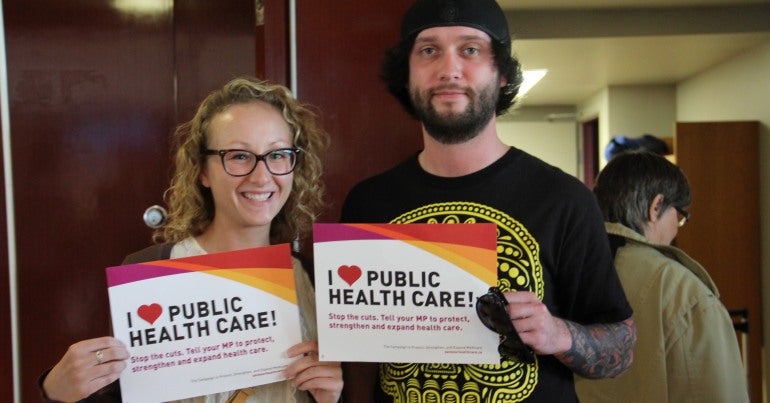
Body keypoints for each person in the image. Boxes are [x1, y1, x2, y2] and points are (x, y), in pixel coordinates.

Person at [339, 0, 637, 401]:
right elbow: (359, 359)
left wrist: (558, 334)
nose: (449, 69)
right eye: (428, 50)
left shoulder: (564, 199)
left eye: (470, 49)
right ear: (407, 73)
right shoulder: (368, 203)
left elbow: (622, 347)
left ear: (501, 74)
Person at [39, 77, 343, 403]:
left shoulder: (315, 280)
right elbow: (123, 394)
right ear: (203, 171)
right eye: (239, 156)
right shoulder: (151, 271)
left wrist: (332, 398)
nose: (262, 176)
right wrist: (55, 393)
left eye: (277, 154)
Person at [576, 151, 749, 402]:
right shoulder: (683, 289)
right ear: (656, 206)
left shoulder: (559, 267)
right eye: (678, 217)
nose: (675, 230)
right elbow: (718, 393)